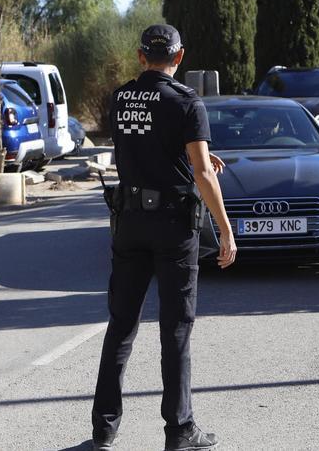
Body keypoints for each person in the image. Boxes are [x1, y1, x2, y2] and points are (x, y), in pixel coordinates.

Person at [91, 25, 237, 451]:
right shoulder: (187, 103)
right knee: (174, 329)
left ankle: (104, 427)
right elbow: (203, 174)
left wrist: (190, 153)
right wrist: (225, 230)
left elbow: (141, 145)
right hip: (173, 226)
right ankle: (179, 430)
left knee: (121, 326)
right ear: (180, 57)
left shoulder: (120, 98)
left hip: (130, 221)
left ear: (141, 57)